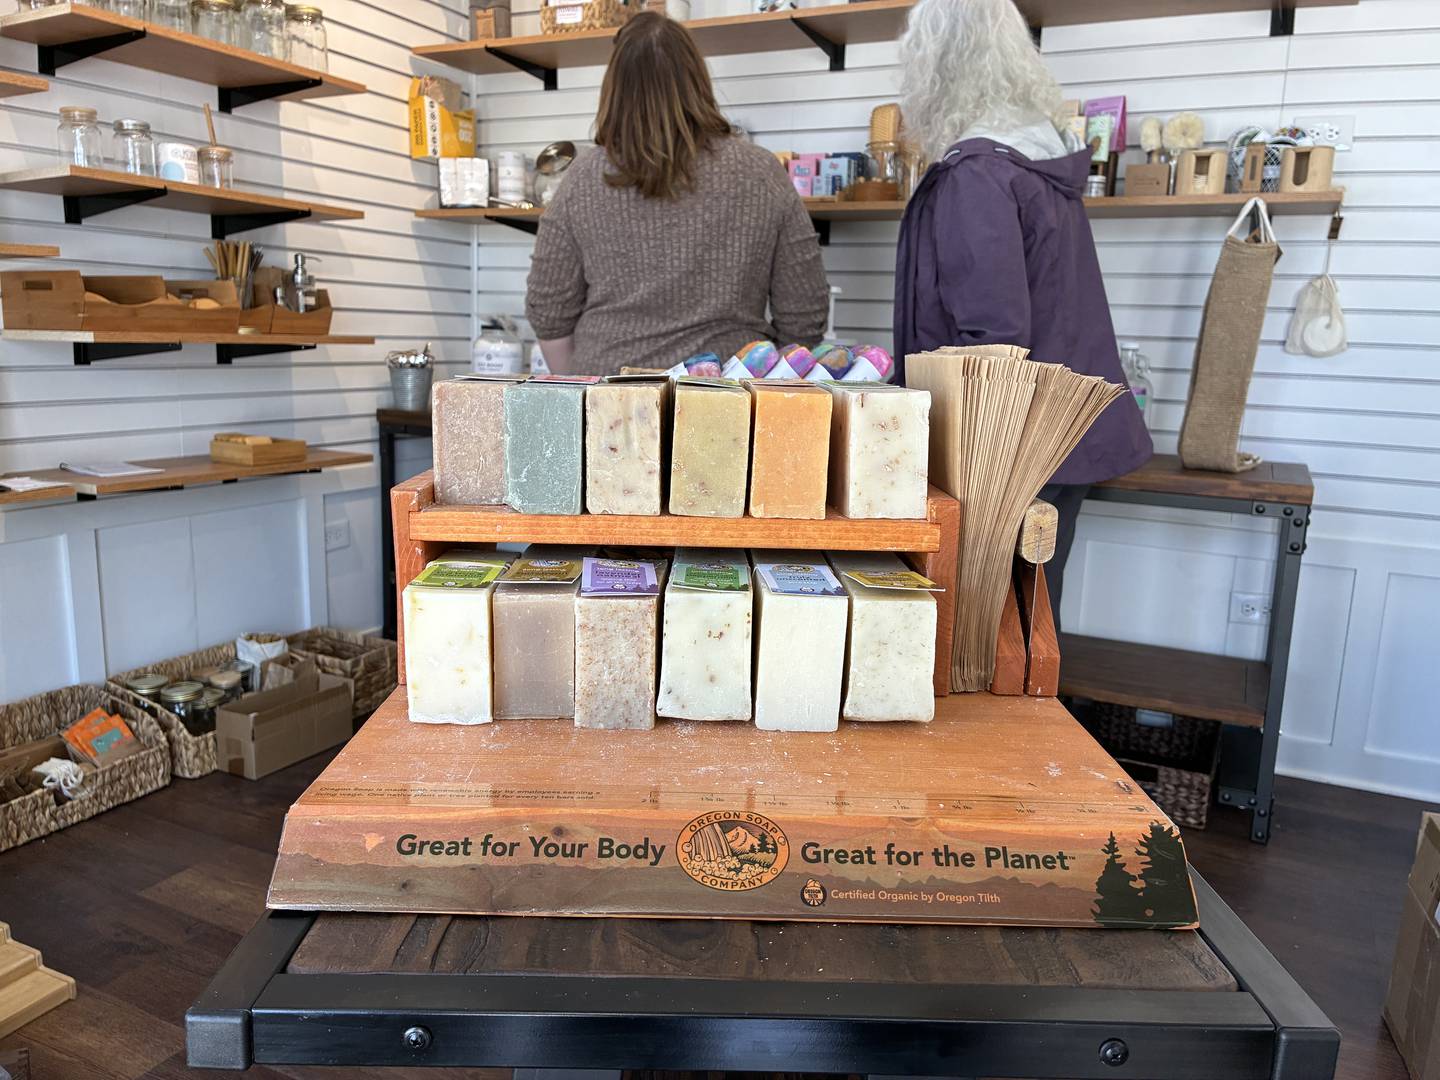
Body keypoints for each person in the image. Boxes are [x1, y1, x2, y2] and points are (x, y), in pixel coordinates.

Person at [892, 0, 1152, 624]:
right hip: (1058, 434)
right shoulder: (1035, 164)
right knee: (1030, 625)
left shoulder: (978, 175)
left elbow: (994, 344)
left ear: (936, 63)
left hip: (1010, 450)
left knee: (987, 638)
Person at [525, 13, 830, 375]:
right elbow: (804, 317)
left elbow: (549, 312)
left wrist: (581, 383)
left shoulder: (581, 180)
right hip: (727, 397)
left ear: (613, 88)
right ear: (697, 79)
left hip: (608, 399)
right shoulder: (761, 173)